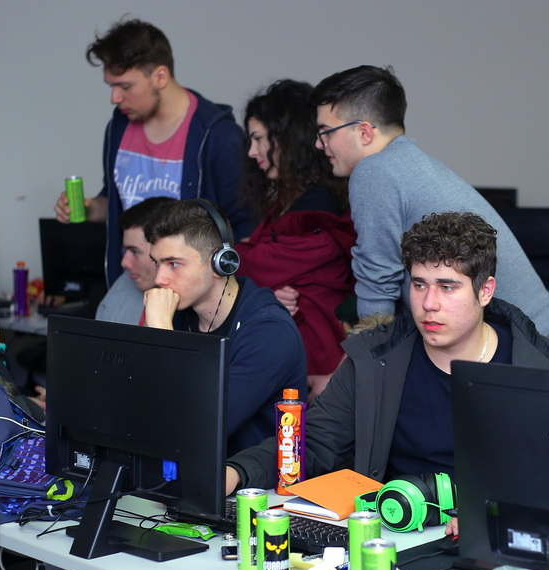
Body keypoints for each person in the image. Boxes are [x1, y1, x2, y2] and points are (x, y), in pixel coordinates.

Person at [226, 212, 549, 498]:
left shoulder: (541, 369)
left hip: (489, 538)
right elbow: (313, 443)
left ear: (485, 291)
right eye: (419, 284)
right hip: (392, 532)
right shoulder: (375, 358)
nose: (429, 304)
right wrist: (236, 471)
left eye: (447, 287)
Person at [310, 65, 549, 338]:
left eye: (326, 132)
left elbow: (377, 281)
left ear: (364, 132)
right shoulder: (409, 164)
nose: (319, 144)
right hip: (541, 339)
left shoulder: (374, 171)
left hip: (519, 347)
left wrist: (368, 353)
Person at [53, 18, 254, 285]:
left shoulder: (218, 135)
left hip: (189, 292)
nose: (114, 98)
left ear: (160, 77)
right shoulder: (118, 127)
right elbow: (115, 201)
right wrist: (88, 209)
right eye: (111, 86)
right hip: (131, 280)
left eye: (125, 86)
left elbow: (246, 227)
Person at [143, 199, 305, 455]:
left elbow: (199, 426)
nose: (159, 279)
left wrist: (161, 332)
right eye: (156, 263)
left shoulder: (270, 332)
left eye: (174, 264)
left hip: (253, 477)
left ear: (221, 262)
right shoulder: (178, 315)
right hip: (188, 467)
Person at [234, 80, 356, 399]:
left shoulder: (318, 205)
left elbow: (257, 264)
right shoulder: (293, 201)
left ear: (287, 139)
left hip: (316, 357)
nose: (252, 152)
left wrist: (236, 254)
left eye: (258, 138)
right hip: (298, 347)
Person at [95, 195, 174, 324]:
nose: (124, 263)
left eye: (135, 251)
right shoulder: (124, 284)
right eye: (125, 250)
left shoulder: (192, 307)